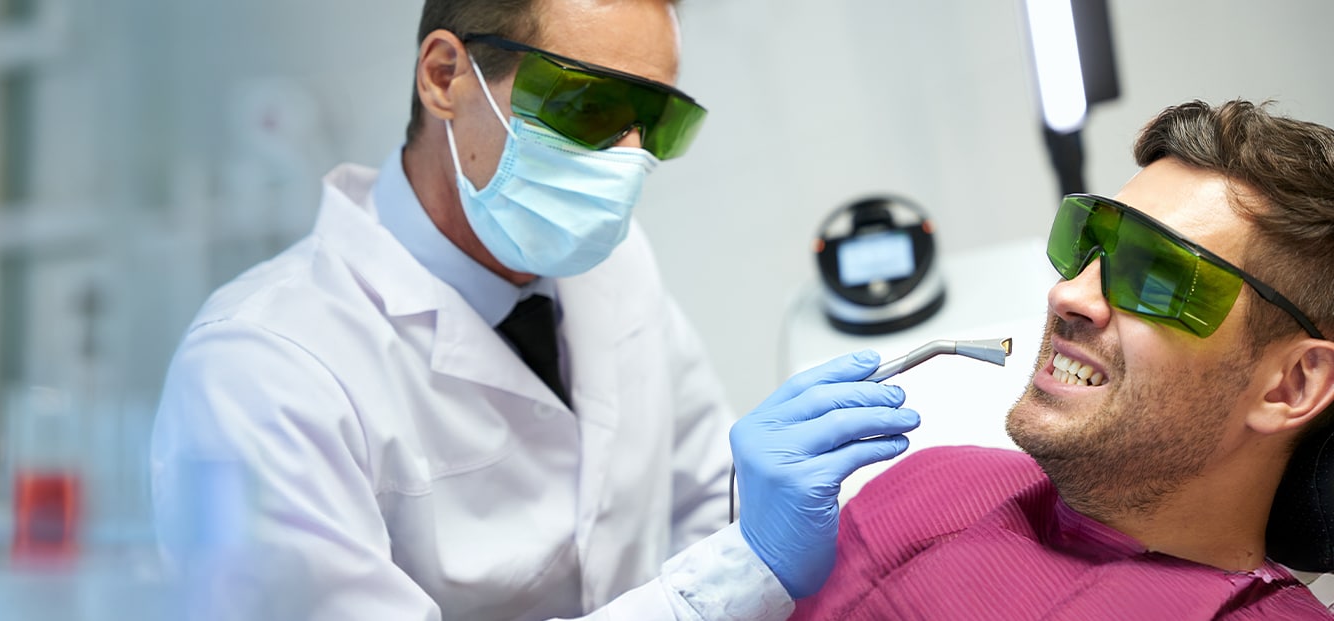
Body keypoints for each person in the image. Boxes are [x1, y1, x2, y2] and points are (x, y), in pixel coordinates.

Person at [149, 0, 922, 619]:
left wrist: (766, 522)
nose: (625, 158)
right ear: (445, 76)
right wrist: (728, 580)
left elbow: (704, 505)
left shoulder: (614, 264)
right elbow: (729, 569)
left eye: (654, 122)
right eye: (587, 106)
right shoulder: (261, 372)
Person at [790, 100, 1334, 620]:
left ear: (1290, 386)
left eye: (1155, 277)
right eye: (1087, 245)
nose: (1068, 294)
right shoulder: (932, 483)